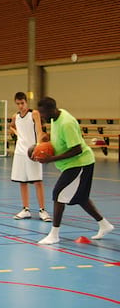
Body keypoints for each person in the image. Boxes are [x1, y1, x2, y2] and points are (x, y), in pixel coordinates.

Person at [35, 97, 114, 244]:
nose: (42, 116)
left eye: (43, 113)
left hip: (80, 163)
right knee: (81, 198)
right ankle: (104, 225)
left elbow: (77, 149)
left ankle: (54, 234)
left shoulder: (67, 123)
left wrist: (51, 159)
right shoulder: (55, 118)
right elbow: (61, 141)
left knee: (57, 194)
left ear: (52, 109)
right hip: (70, 164)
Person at [10, 92, 51, 222]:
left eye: (22, 103)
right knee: (22, 181)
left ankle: (42, 210)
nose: (20, 106)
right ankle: (25, 209)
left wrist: (38, 146)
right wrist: (17, 134)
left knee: (37, 181)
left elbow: (39, 131)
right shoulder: (15, 116)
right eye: (18, 104)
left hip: (32, 151)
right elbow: (11, 127)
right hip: (19, 152)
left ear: (26, 102)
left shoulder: (34, 114)